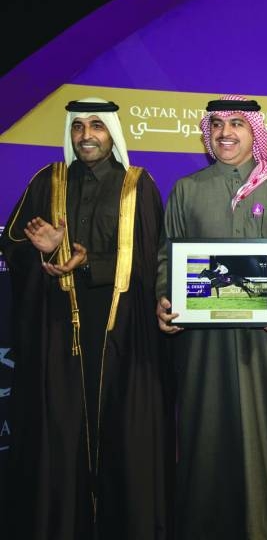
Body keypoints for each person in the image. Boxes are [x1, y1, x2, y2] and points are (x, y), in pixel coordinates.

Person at [0, 98, 171, 539]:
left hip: (122, 336)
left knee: (122, 432)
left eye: (96, 126)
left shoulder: (137, 186)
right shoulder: (46, 181)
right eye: (78, 127)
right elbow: (13, 246)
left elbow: (151, 261)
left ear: (112, 132)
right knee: (60, 433)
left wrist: (86, 263)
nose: (86, 136)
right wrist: (43, 249)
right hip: (57, 334)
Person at [155, 95, 267, 540]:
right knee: (207, 429)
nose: (226, 132)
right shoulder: (188, 188)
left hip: (266, 339)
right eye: (218, 124)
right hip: (204, 343)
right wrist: (165, 299)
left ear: (255, 132)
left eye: (238, 123)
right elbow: (168, 256)